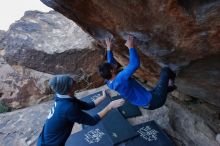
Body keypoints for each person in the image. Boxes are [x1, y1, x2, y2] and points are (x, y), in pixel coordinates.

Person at [37, 75, 125, 146]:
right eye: (72, 83)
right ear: (68, 90)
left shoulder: (62, 96)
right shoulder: (69, 108)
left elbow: (87, 106)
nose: (75, 83)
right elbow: (92, 121)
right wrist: (110, 106)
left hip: (46, 139)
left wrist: (103, 97)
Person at [98, 35, 176, 110]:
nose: (113, 65)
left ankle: (168, 88)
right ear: (111, 71)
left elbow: (109, 63)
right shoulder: (120, 79)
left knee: (157, 89)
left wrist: (109, 49)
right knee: (166, 70)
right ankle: (170, 84)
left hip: (146, 102)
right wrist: (131, 47)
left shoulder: (109, 82)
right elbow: (134, 64)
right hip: (155, 101)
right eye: (112, 66)